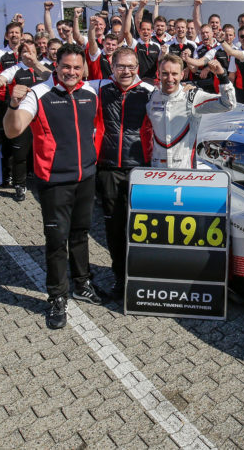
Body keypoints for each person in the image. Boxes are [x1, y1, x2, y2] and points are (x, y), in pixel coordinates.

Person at [3, 43, 106, 330]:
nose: (71, 72)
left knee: (80, 234)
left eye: (76, 67)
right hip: (54, 181)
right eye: (65, 66)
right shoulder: (38, 93)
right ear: (55, 65)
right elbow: (13, 130)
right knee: (57, 241)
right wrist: (13, 103)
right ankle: (57, 297)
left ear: (82, 68)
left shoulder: (91, 92)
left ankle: (82, 283)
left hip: (86, 176)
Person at [90, 47, 154, 301]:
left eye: (130, 66)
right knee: (114, 228)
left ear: (137, 67)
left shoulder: (150, 93)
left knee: (141, 227)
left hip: (141, 169)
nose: (126, 71)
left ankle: (143, 277)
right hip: (108, 168)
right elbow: (62, 80)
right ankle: (120, 276)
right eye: (121, 66)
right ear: (112, 67)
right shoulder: (99, 89)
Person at [147, 54, 236, 168]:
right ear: (159, 74)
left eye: (174, 74)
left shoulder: (191, 96)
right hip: (155, 172)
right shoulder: (151, 97)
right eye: (165, 73)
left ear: (182, 74)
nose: (170, 78)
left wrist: (222, 76)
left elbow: (228, 104)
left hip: (185, 173)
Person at [0, 42, 52, 201]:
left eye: (32, 50)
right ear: (20, 53)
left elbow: (55, 79)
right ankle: (19, 185)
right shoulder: (15, 69)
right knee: (19, 153)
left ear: (37, 52)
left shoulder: (45, 67)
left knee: (44, 150)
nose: (29, 54)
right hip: (23, 116)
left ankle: (44, 180)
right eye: (25, 51)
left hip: (44, 117)